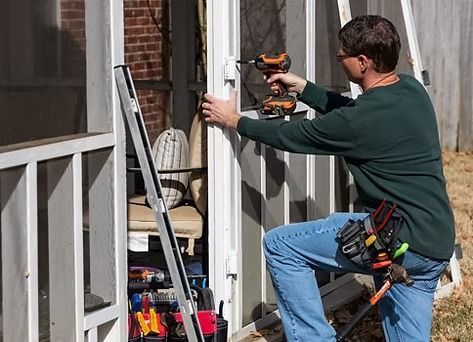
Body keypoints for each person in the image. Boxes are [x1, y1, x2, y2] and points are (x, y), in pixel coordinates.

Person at [202, 15, 455, 341]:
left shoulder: (360, 121)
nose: (338, 59)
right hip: (434, 243)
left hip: (398, 242)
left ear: (363, 62)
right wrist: (305, 89)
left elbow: (295, 134)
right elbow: (349, 111)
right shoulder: (410, 89)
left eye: (342, 55)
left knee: (280, 246)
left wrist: (235, 120)